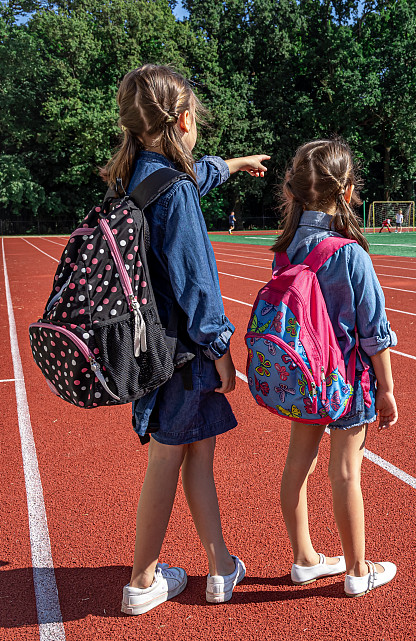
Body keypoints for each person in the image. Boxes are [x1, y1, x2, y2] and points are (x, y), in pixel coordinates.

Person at [105, 65, 269, 615]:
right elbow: (197, 284)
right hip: (181, 353)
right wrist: (221, 350)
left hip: (151, 346)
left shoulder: (135, 177)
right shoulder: (174, 192)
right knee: (168, 459)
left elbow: (191, 174)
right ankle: (142, 579)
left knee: (198, 454)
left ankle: (221, 566)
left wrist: (233, 164)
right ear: (184, 119)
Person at [271, 138, 399, 597]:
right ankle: (357, 570)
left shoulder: (284, 251)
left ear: (296, 191)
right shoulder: (350, 254)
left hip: (303, 377)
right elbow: (374, 332)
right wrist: (386, 389)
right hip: (348, 380)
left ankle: (304, 558)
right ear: (347, 192)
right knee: (345, 472)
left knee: (296, 467)